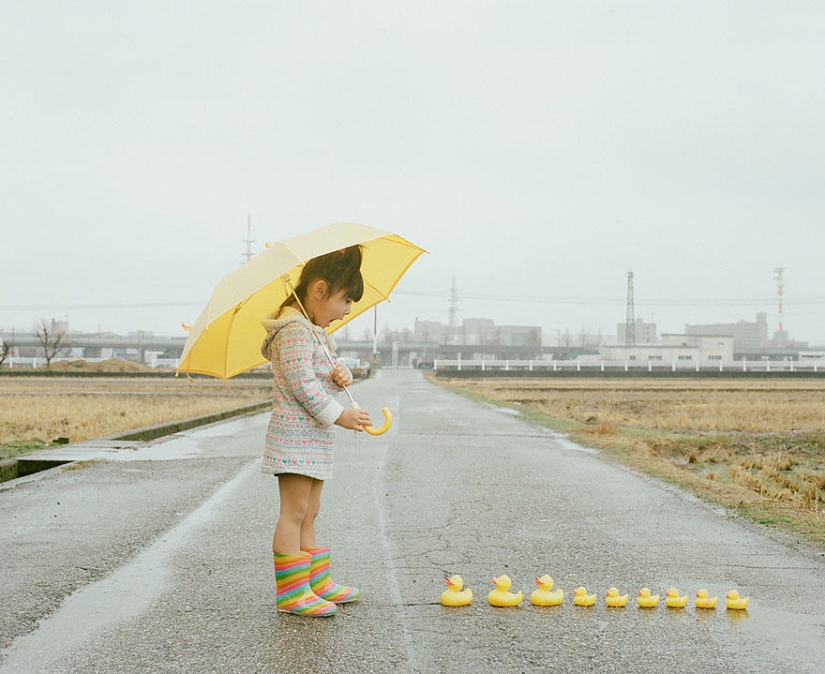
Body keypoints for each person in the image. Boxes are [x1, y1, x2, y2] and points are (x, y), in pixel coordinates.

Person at [260, 245, 372, 617]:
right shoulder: (293, 332)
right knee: (294, 512)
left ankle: (314, 583)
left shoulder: (314, 333)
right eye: (346, 300)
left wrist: (340, 376)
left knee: (310, 511)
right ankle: (292, 593)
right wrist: (342, 415)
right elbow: (303, 386)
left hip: (312, 439)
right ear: (319, 290)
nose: (348, 310)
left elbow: (319, 378)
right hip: (294, 440)